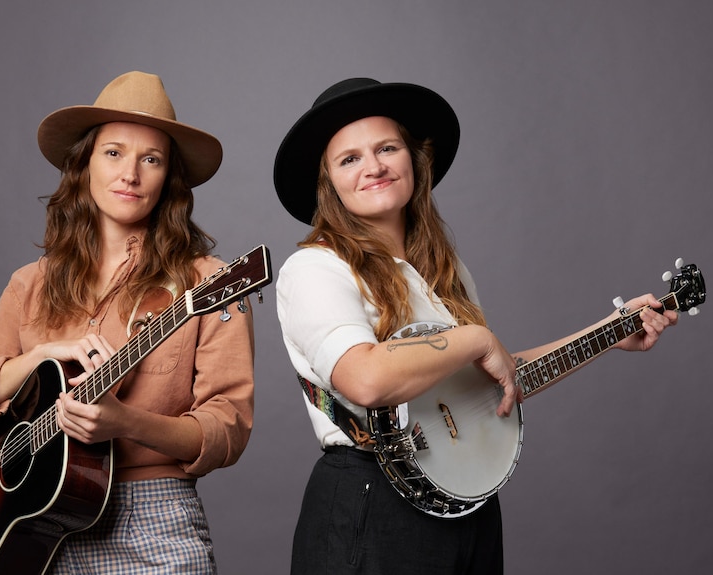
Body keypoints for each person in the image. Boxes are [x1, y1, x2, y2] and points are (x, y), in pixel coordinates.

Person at [272, 77, 677, 574]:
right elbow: (366, 378)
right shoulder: (317, 267)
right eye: (349, 159)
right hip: (370, 501)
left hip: (467, 506)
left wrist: (609, 332)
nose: (374, 167)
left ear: (414, 160)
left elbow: (492, 376)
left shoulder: (445, 271)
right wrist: (476, 337)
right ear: (328, 182)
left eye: (387, 148)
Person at [0, 71, 255, 574]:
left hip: (153, 523)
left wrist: (125, 422)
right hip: (30, 528)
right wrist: (37, 358)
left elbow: (226, 430)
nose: (130, 173)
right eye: (113, 153)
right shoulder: (30, 284)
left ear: (168, 178)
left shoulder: (209, 283)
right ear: (84, 164)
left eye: (150, 159)